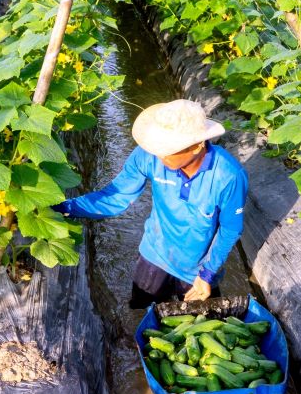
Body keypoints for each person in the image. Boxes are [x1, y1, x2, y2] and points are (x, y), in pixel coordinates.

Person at [54, 99, 248, 307]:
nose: (160, 153)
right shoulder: (150, 156)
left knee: (201, 324)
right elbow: (116, 196)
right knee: (143, 312)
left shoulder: (228, 175)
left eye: (169, 148)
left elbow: (230, 229)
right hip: (156, 253)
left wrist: (208, 273)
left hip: (199, 267)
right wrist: (64, 208)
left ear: (197, 145)